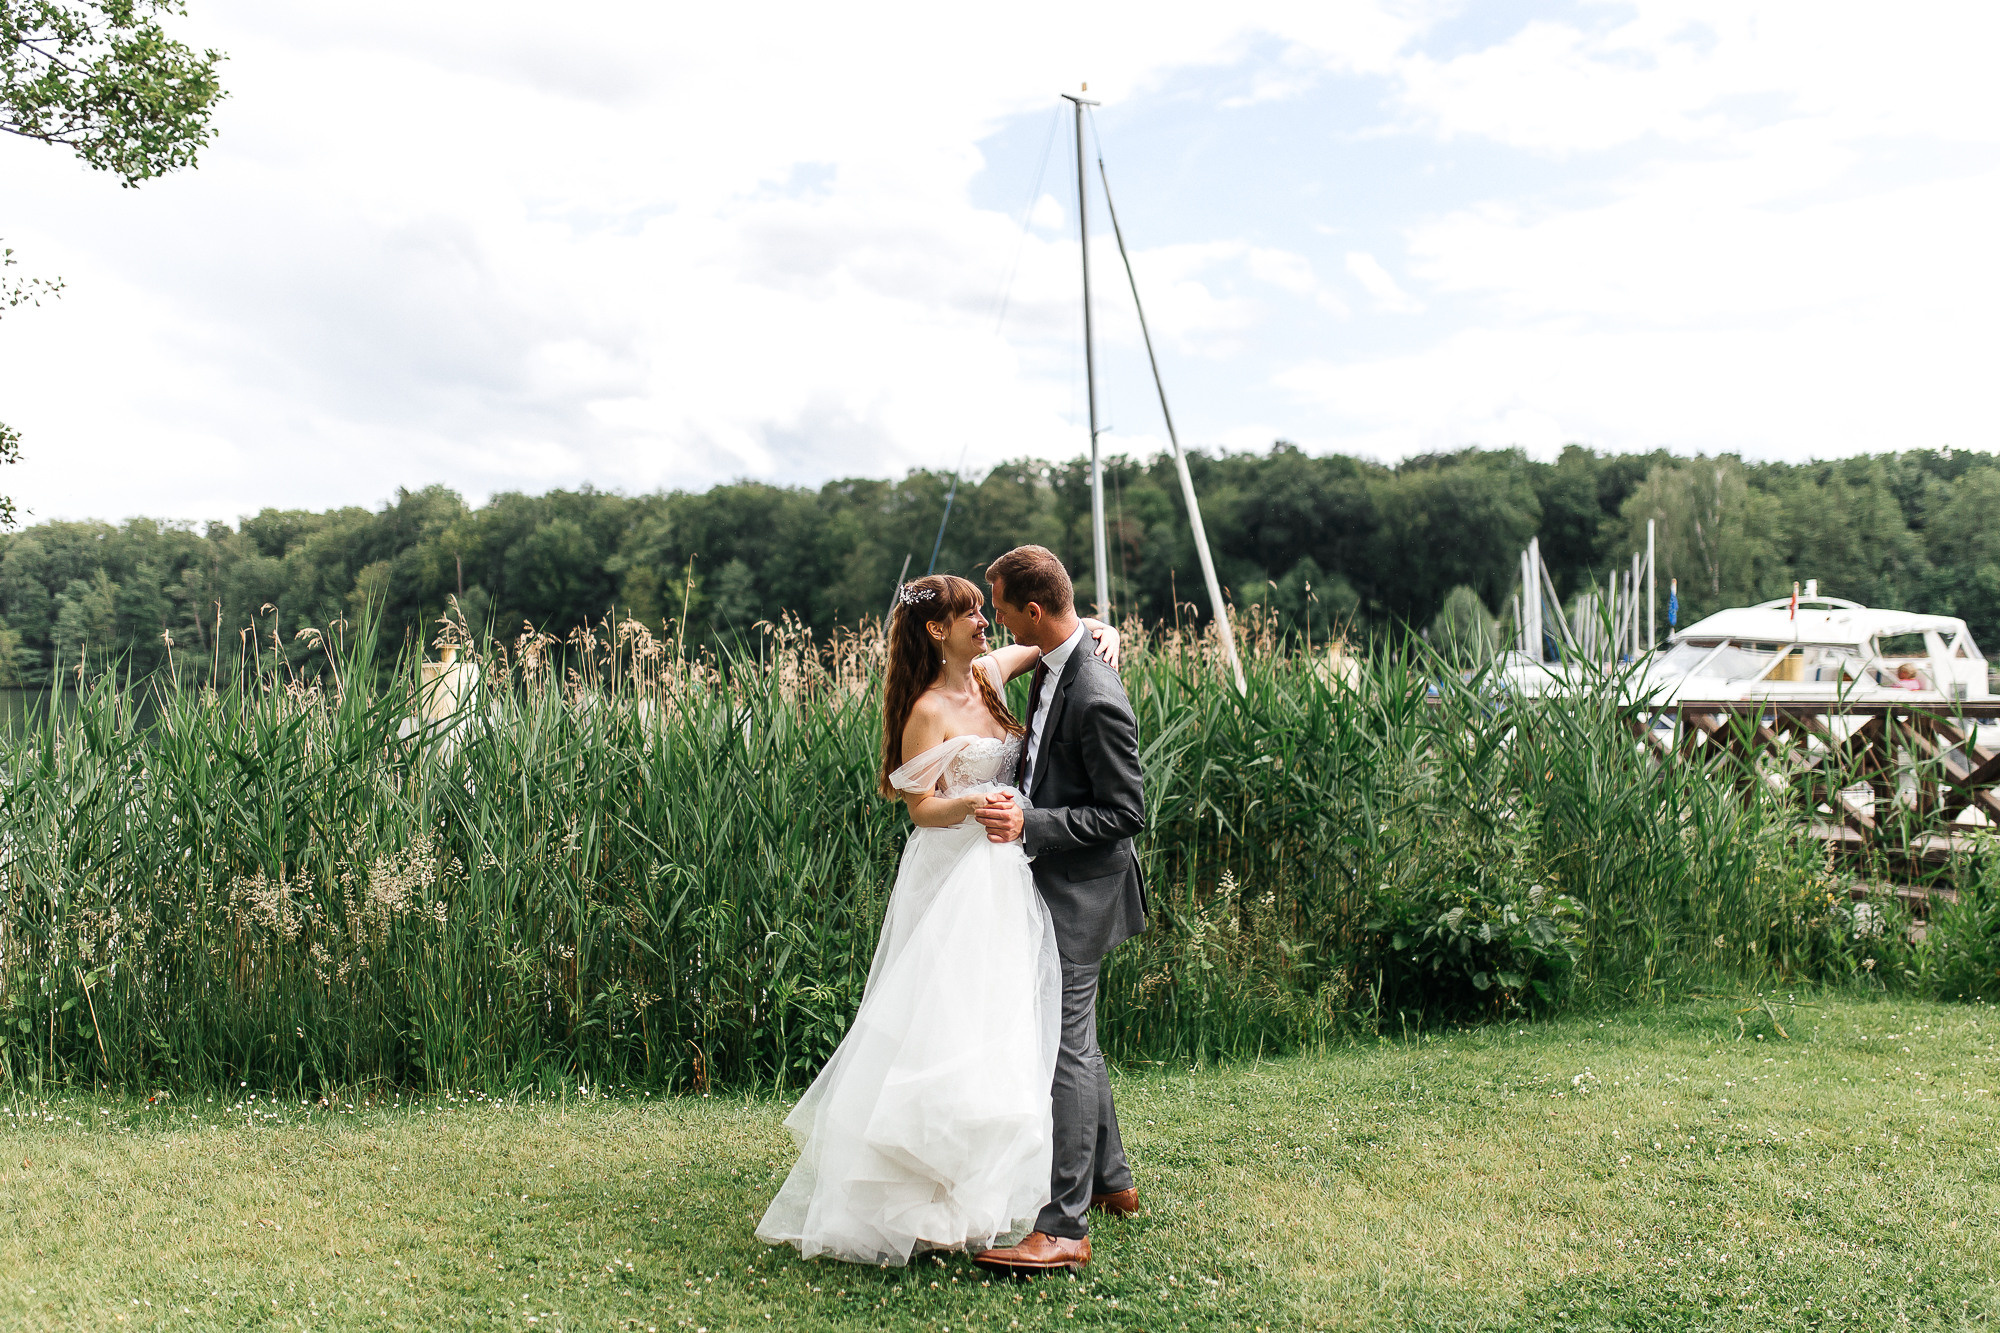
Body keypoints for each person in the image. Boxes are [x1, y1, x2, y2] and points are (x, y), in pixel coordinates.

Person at [755, 573, 1118, 1266]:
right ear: (935, 630)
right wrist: (981, 802)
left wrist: (1107, 630)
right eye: (971, 614)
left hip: (1006, 874)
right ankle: (927, 1188)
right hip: (957, 874)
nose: (987, 623)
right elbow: (919, 806)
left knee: (1003, 1019)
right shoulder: (925, 709)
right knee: (946, 1020)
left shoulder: (988, 673)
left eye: (986, 610)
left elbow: (1055, 640)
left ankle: (993, 1185)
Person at [969, 545, 1148, 1277]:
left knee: (1065, 1047)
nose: (997, 621)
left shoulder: (1097, 692)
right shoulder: (1055, 658)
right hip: (1060, 882)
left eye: (1004, 609)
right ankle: (1112, 1179)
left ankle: (1063, 1224)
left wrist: (1033, 825)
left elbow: (1126, 811)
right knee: (1078, 1035)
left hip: (1083, 890)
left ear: (1033, 611)